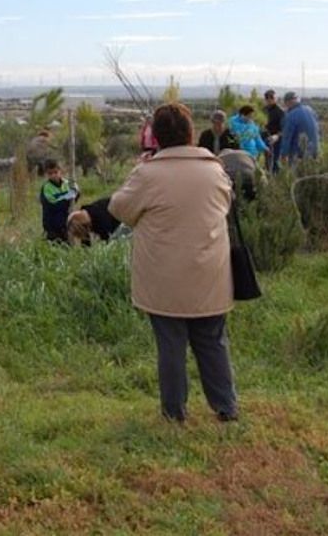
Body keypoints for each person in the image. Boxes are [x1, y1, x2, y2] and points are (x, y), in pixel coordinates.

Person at [109, 102, 238, 423]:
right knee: (213, 342)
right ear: (190, 132)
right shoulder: (214, 170)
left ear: (157, 135)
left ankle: (174, 413)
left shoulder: (148, 174)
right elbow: (226, 203)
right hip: (210, 274)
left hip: (163, 279)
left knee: (171, 348)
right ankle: (226, 409)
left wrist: (137, 170)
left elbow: (119, 208)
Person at [39, 159, 79, 243]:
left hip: (66, 223)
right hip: (52, 226)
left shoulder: (67, 183)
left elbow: (76, 195)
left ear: (60, 171)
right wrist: (67, 198)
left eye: (56, 172)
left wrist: (75, 193)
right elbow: (54, 205)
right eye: (50, 173)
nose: (54, 175)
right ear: (46, 174)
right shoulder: (46, 188)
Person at [277, 91, 320, 163]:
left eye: (285, 104)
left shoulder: (291, 116)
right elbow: (317, 128)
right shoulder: (310, 109)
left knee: (298, 173)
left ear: (288, 102)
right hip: (314, 149)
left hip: (298, 154)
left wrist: (283, 154)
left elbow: (287, 137)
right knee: (312, 171)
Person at [263, 90, 286, 172]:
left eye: (272, 97)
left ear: (275, 98)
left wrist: (277, 136)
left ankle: (276, 181)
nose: (269, 99)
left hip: (276, 140)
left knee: (275, 162)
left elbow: (285, 129)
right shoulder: (265, 110)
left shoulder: (280, 112)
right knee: (267, 161)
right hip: (266, 138)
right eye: (267, 97)